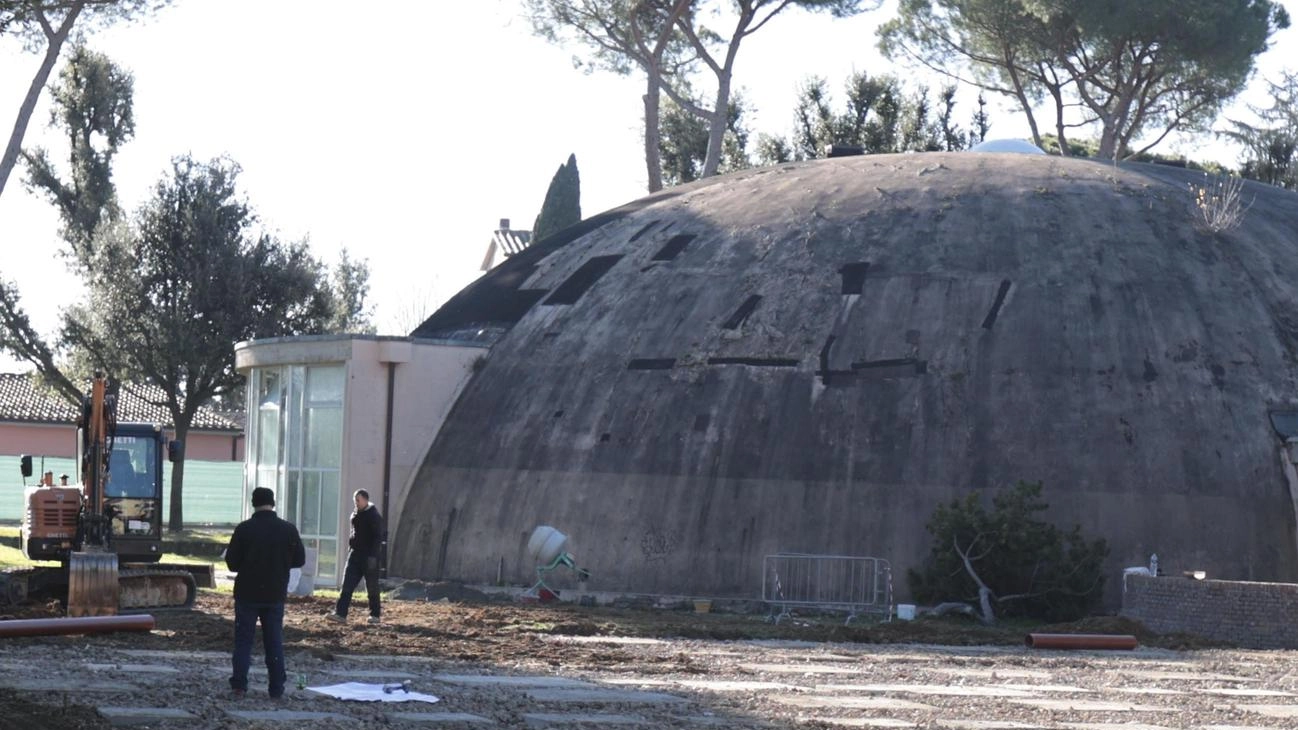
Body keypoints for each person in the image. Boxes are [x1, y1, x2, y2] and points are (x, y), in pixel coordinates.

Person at [225, 487, 305, 699]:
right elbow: (299, 560)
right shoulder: (288, 530)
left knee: (244, 641)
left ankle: (239, 685)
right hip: (275, 592)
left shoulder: (244, 529)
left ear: (253, 503)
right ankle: (276, 687)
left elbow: (232, 564)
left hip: (247, 593)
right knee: (274, 640)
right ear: (273, 503)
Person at [326, 489, 384, 625]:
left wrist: (373, 557)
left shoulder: (374, 516)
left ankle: (375, 615)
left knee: (372, 586)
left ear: (365, 500)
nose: (355, 503)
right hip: (354, 554)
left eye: (358, 500)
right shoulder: (355, 514)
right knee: (347, 584)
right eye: (354, 500)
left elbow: (378, 537)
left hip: (369, 556)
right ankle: (340, 613)